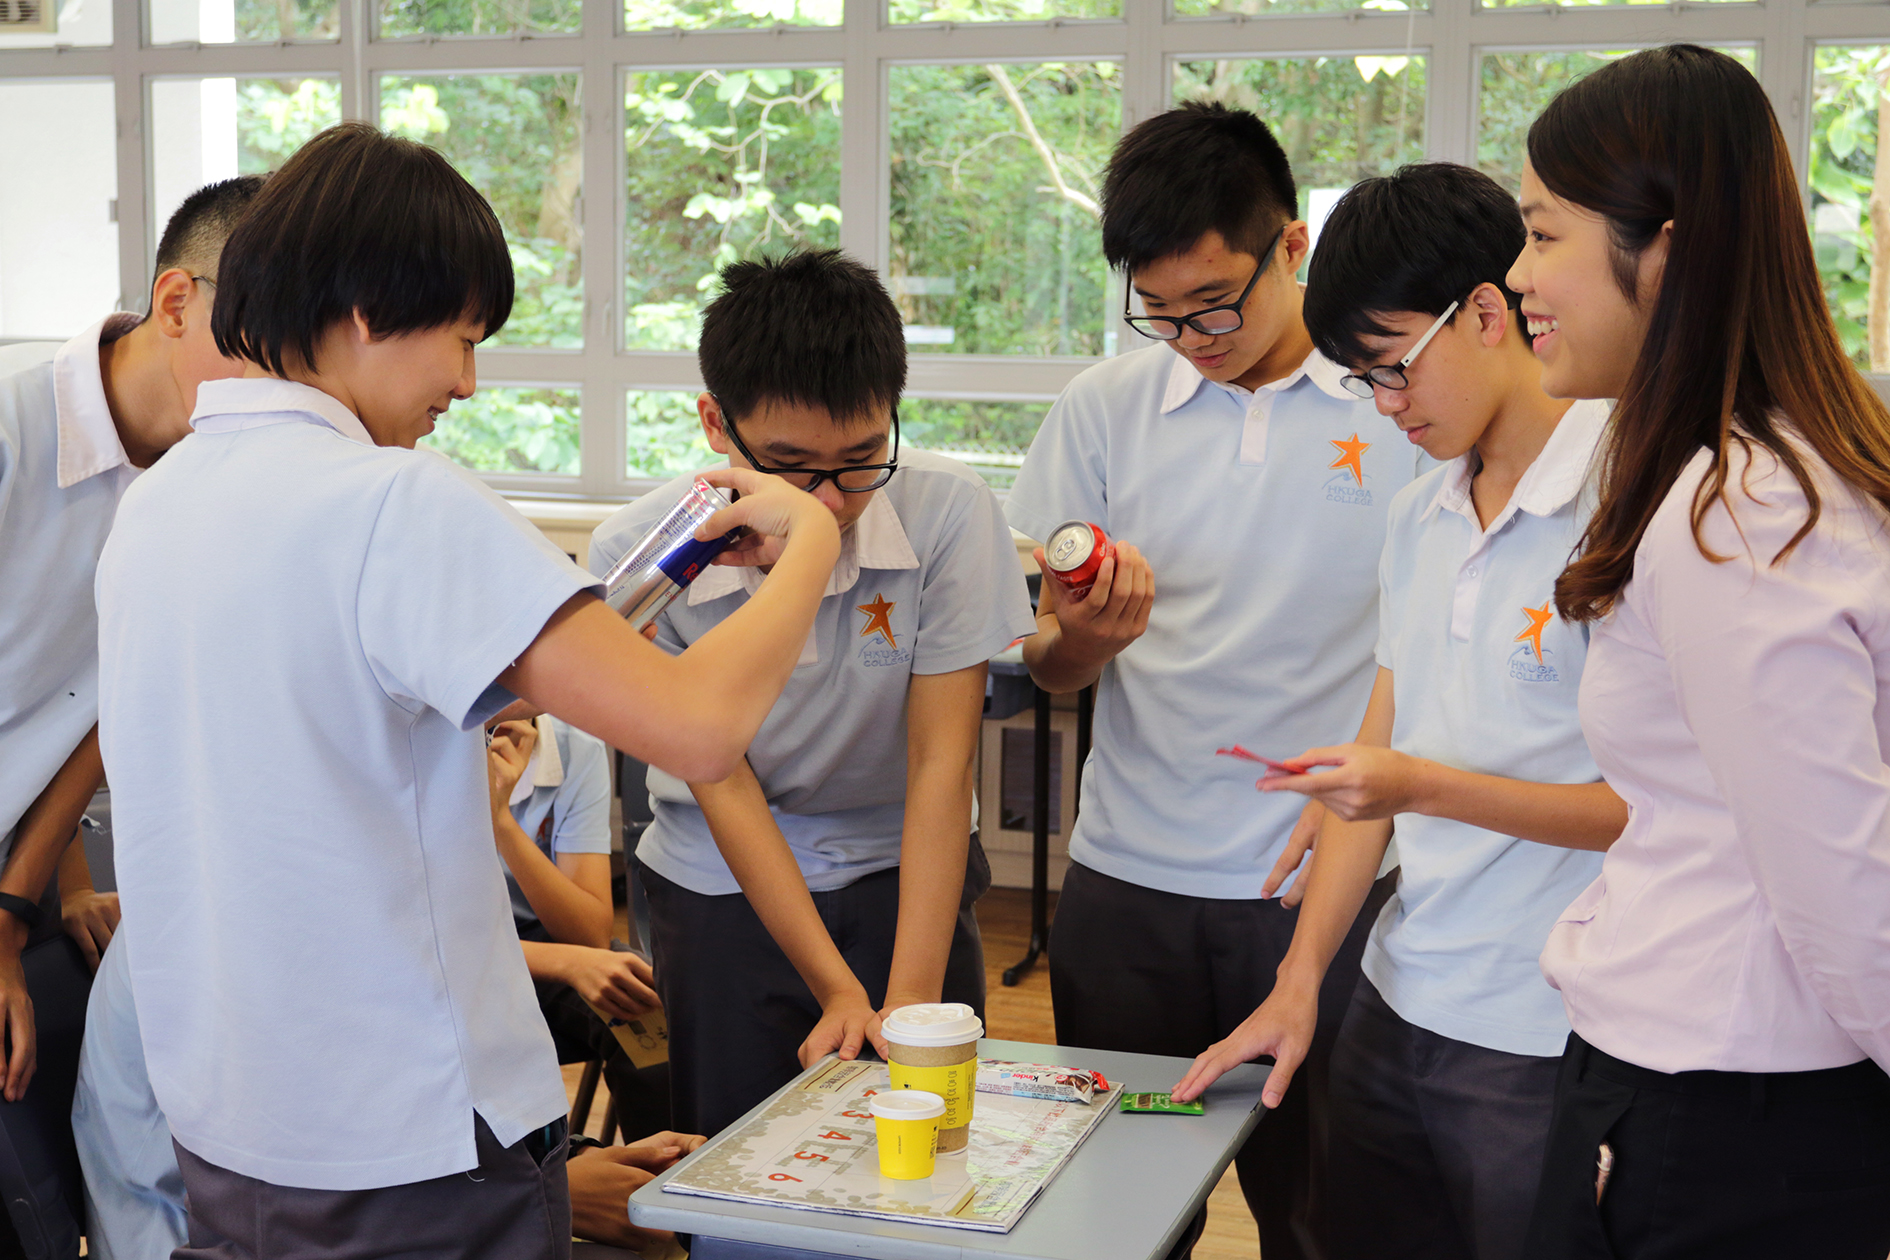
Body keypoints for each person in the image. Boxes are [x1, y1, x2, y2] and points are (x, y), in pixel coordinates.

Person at [93, 122, 839, 1259]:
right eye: (462, 336)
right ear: (363, 309)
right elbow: (697, 728)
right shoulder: (397, 502)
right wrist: (816, 540)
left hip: (232, 1123)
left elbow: (351, 706)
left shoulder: (161, 500)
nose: (468, 381)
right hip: (411, 1141)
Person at [1170, 162, 1625, 1260]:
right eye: (1364, 381)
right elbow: (1371, 768)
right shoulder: (1421, 512)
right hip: (1398, 994)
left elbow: (1652, 807)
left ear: (1486, 313)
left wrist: (1422, 787)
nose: (1386, 408)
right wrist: (1297, 987)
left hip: (1546, 1028)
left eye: (1393, 370)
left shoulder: (1630, 501)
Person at [1003, 101, 1427, 1260]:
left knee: (1322, 1215)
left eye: (1217, 302)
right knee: (1116, 1215)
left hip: (1325, 887)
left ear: (1293, 246)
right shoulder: (1105, 409)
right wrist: (1092, 639)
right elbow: (1047, 665)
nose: (1193, 336)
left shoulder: (1398, 404)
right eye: (1162, 314)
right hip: (1129, 882)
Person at [1496, 45, 1890, 1259]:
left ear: (1659, 247)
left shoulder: (1744, 511)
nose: (1517, 276)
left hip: (1718, 1116)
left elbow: (1839, 879)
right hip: (1714, 1090)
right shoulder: (1773, 468)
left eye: (1544, 234)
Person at [590, 249, 1035, 1139]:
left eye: (863, 460)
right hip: (721, 892)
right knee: (743, 1158)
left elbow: (942, 764)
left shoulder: (950, 512)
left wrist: (907, 998)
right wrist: (835, 986)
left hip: (905, 878)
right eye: (794, 469)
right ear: (717, 424)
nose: (832, 501)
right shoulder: (642, 556)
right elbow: (721, 778)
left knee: (926, 1149)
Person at [485, 715, 670, 1142]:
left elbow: (588, 934)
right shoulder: (408, 738)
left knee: (651, 1017)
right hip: (438, 961)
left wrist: (501, 822)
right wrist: (568, 962)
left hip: (534, 945)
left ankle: (657, 1191)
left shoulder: (573, 747)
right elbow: (413, 936)